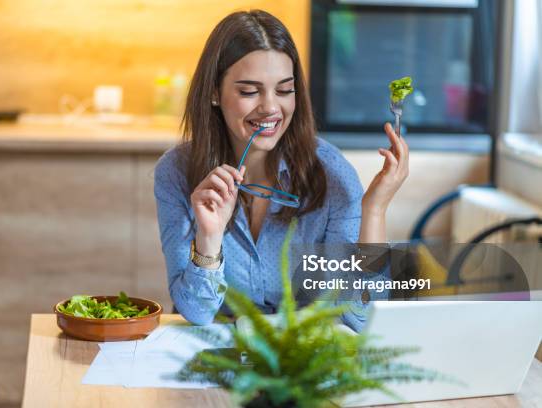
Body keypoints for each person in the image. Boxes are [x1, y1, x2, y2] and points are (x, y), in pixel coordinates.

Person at [153, 10, 408, 331]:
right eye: (249, 91)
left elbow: (361, 317)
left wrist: (374, 210)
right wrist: (209, 237)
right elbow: (196, 312)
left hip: (299, 359)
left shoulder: (333, 176)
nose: (271, 107)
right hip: (216, 358)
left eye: (284, 90)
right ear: (214, 92)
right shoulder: (176, 172)